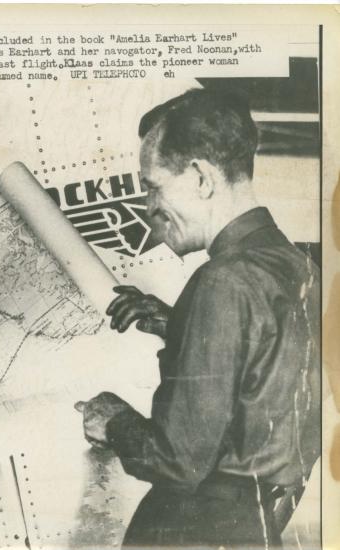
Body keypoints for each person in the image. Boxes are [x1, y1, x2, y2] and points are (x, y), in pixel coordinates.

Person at [77, 89, 320, 548]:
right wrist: (180, 326)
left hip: (196, 532)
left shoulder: (221, 282)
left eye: (153, 186)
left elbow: (176, 460)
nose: (149, 209)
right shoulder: (300, 269)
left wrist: (110, 418)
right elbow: (274, 367)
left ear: (201, 178)